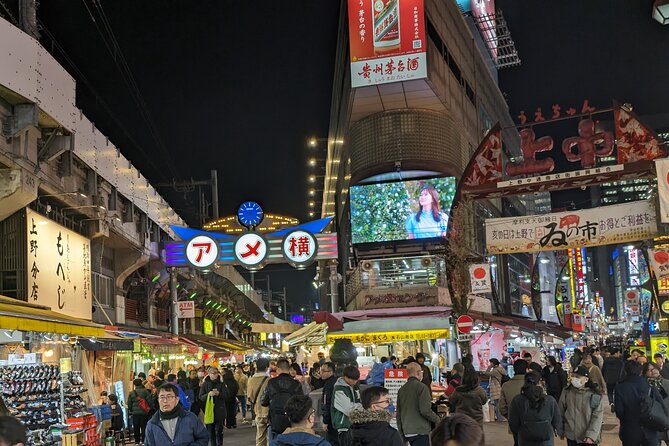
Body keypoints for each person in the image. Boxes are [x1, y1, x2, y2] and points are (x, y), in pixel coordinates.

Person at [615, 359, 665, 446]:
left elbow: (619, 412)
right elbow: (661, 405)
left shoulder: (620, 387)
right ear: (641, 371)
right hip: (650, 430)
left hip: (629, 430)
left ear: (625, 371)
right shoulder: (649, 384)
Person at [508, 371, 562, 446]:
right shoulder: (550, 400)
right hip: (546, 440)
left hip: (524, 439)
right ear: (539, 382)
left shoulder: (517, 400)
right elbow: (557, 421)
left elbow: (513, 423)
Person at [144, 383, 209, 446]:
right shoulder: (152, 424)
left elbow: (203, 438)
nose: (165, 401)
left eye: (169, 397)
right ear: (158, 400)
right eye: (162, 397)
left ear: (177, 399)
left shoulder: (190, 418)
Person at [558, 366, 604, 446]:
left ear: (586, 379)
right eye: (573, 376)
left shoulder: (594, 394)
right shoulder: (567, 392)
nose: (574, 379)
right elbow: (560, 412)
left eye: (578, 377)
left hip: (588, 438)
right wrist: (561, 430)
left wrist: (591, 435)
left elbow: (597, 416)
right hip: (571, 436)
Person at [396, 362, 440, 446]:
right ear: (418, 373)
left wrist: (402, 435)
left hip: (407, 432)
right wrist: (437, 419)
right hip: (420, 431)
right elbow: (425, 410)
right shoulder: (422, 387)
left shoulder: (401, 389)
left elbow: (398, 414)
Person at [261, 358, 305, 437]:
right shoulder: (296, 384)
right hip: (292, 420)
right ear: (288, 369)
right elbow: (301, 402)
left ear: (278, 369)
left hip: (275, 420)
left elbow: (263, 402)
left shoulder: (271, 382)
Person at [331, 365, 363, 446]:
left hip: (355, 425)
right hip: (344, 426)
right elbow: (348, 409)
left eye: (356, 379)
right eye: (352, 379)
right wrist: (359, 406)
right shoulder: (339, 389)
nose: (355, 382)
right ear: (345, 377)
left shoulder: (355, 387)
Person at [500, 359, 528, 446]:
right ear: (526, 369)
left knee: (517, 441)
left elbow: (502, 407)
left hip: (514, 422)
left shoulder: (506, 385)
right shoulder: (532, 385)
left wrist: (510, 416)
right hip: (532, 423)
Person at [199, 366, 229, 446]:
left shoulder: (221, 383)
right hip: (209, 411)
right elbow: (201, 397)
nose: (216, 375)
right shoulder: (205, 384)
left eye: (217, 373)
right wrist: (208, 394)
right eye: (213, 373)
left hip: (220, 410)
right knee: (211, 432)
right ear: (209, 374)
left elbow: (227, 396)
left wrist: (219, 394)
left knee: (219, 431)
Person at [643, 362, 669, 445]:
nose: (653, 371)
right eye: (649, 370)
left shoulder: (667, 383)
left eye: (654, 368)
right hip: (654, 422)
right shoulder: (644, 386)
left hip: (667, 419)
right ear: (645, 373)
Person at [248, 358, 271, 446]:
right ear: (266, 367)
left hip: (258, 411)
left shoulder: (251, 380)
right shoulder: (269, 380)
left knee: (260, 436)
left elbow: (250, 397)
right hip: (269, 412)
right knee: (270, 437)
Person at [128, 378, 154, 444]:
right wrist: (150, 408)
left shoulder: (131, 393)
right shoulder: (145, 392)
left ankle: (137, 442)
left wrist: (131, 410)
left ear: (134, 385)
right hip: (144, 413)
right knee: (144, 427)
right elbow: (150, 401)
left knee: (136, 427)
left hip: (135, 413)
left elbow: (129, 404)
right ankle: (143, 441)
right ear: (141, 383)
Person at [319, 362, 339, 446]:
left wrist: (325, 421)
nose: (321, 373)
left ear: (331, 372)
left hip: (331, 420)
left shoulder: (329, 385)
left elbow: (326, 403)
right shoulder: (337, 382)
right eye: (321, 370)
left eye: (324, 371)